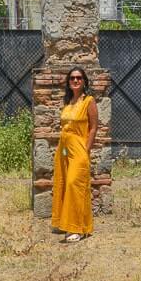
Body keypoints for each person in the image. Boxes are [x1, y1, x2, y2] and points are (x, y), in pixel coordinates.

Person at [51, 66, 98, 242]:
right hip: (63, 149)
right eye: (72, 78)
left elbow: (93, 128)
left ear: (84, 81)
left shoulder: (89, 101)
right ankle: (64, 223)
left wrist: (86, 150)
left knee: (74, 184)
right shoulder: (69, 102)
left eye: (79, 78)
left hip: (79, 149)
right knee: (62, 183)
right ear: (68, 82)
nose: (76, 81)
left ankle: (77, 228)